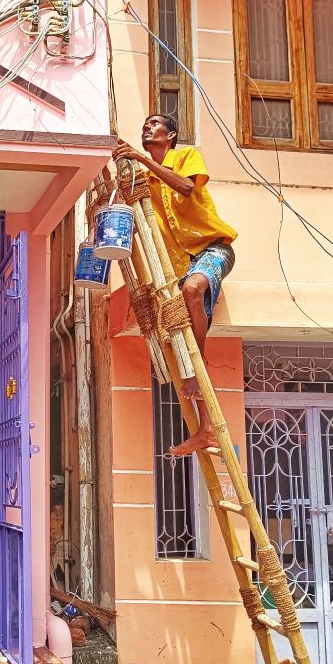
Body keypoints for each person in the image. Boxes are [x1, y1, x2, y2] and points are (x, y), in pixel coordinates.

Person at [113, 114, 237, 457]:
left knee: (192, 291)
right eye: (144, 126)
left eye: (154, 124)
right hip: (181, 267)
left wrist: (138, 158)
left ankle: (197, 366)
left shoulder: (185, 157)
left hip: (213, 249)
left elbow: (184, 186)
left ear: (171, 135)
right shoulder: (146, 181)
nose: (146, 128)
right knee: (177, 341)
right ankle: (206, 429)